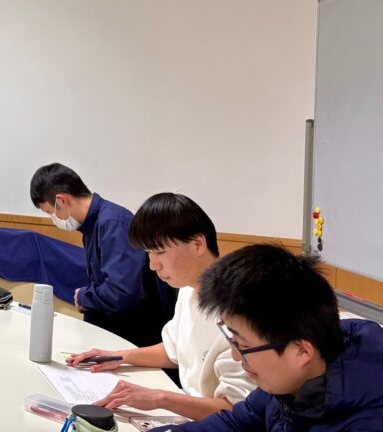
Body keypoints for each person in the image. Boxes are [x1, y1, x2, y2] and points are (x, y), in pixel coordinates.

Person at [154, 244, 383, 431]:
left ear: (302, 351)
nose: (235, 356)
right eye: (234, 341)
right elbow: (236, 423)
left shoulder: (365, 421)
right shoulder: (287, 382)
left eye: (243, 346)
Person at [67, 193, 254, 419]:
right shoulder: (187, 291)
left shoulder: (239, 309)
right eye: (148, 253)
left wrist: (159, 398)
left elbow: (237, 409)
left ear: (198, 244)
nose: (153, 265)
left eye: (160, 252)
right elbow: (173, 350)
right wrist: (117, 356)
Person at [30, 163, 172, 347]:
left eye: (50, 212)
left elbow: (123, 292)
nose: (53, 218)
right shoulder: (93, 226)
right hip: (116, 331)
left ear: (62, 201)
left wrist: (84, 296)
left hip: (133, 337)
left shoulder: (113, 224)